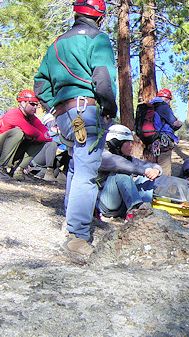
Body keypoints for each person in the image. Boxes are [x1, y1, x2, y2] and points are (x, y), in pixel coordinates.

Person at [34, 0, 117, 257]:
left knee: (75, 166)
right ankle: (77, 236)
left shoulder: (56, 44)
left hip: (65, 116)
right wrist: (109, 108)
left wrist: (56, 107)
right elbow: (103, 80)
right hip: (87, 110)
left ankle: (72, 222)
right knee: (87, 172)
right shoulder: (98, 39)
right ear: (100, 16)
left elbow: (40, 86)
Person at [97, 124, 162, 221]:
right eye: (128, 142)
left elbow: (149, 165)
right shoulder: (104, 156)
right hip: (106, 205)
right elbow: (121, 165)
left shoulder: (128, 159)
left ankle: (144, 209)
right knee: (121, 174)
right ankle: (136, 210)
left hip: (122, 205)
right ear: (117, 143)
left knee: (146, 177)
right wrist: (145, 170)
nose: (132, 146)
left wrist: (156, 170)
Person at [0, 89, 52, 180]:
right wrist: (34, 136)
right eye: (32, 104)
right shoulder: (13, 114)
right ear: (23, 103)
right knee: (18, 133)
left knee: (39, 141)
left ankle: (18, 170)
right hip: (2, 150)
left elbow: (46, 134)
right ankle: (1, 168)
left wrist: (35, 136)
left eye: (37, 105)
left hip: (12, 152)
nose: (35, 107)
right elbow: (31, 131)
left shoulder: (31, 117)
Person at [144, 88, 183, 176]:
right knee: (165, 172)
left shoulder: (149, 106)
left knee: (152, 169)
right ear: (167, 99)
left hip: (150, 141)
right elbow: (174, 123)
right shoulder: (163, 107)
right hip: (163, 141)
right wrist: (180, 123)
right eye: (169, 100)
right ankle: (163, 189)